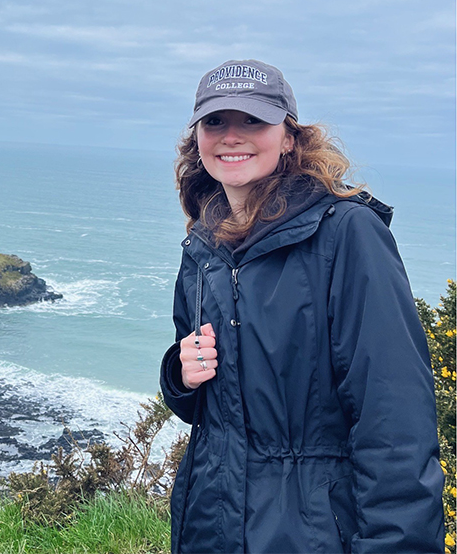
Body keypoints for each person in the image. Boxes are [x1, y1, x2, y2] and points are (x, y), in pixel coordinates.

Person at [159, 59, 445, 554]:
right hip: (211, 525)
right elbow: (217, 404)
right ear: (197, 138)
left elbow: (395, 420)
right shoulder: (204, 246)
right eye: (215, 121)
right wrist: (180, 377)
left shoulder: (348, 234)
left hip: (310, 534)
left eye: (253, 120)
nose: (232, 135)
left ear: (289, 136)